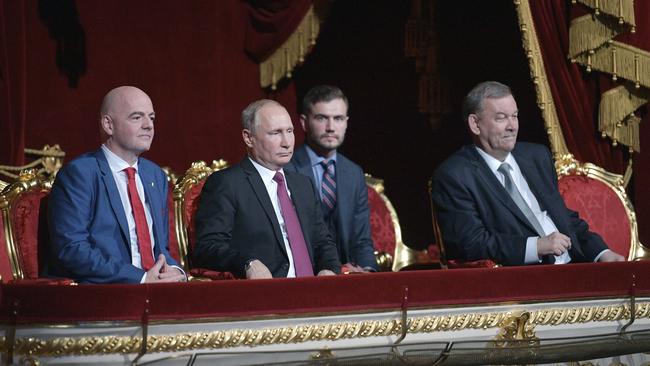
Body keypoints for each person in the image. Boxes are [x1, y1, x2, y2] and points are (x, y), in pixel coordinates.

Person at [431, 81, 625, 265]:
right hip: (522, 280)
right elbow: (471, 245)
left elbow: (563, 218)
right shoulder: (454, 176)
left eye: (514, 116)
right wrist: (537, 247)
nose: (512, 126)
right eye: (501, 117)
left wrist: (602, 253)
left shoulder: (536, 156)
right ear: (475, 124)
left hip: (574, 266)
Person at [46, 86, 186, 284]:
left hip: (155, 289)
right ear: (108, 125)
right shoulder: (80, 174)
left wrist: (176, 271)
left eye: (152, 117)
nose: (148, 125)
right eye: (137, 117)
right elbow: (72, 249)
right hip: (105, 292)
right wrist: (141, 278)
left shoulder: (155, 175)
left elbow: (161, 249)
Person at [193, 99, 342, 279]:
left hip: (313, 291)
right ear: (248, 138)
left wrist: (328, 269)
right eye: (275, 133)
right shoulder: (227, 184)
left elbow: (323, 243)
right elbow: (208, 247)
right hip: (264, 294)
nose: (287, 142)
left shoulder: (303, 185)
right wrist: (247, 263)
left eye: (289, 131)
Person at [286, 85, 378, 272]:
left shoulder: (353, 172)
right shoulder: (286, 169)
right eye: (321, 118)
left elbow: (361, 238)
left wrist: (368, 272)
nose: (330, 127)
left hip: (346, 275)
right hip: (302, 274)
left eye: (338, 118)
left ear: (346, 122)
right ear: (304, 122)